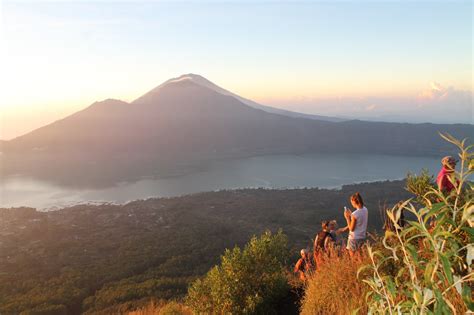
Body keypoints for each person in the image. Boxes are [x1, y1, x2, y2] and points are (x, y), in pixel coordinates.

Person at [343, 192, 368, 258]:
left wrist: (347, 218)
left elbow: (351, 228)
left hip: (354, 237)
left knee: (353, 258)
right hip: (362, 236)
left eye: (351, 202)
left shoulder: (355, 214)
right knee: (360, 256)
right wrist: (351, 215)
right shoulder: (365, 209)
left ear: (354, 202)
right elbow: (359, 219)